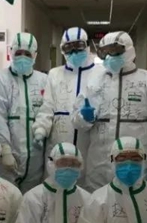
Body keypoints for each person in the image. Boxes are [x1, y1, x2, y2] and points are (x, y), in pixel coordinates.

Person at [72, 31, 147, 191]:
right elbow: (76, 121)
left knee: (134, 198)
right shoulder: (93, 80)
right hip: (99, 160)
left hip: (134, 159)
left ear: (129, 50)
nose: (109, 56)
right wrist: (84, 118)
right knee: (98, 200)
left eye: (114, 51)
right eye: (105, 52)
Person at [32, 27, 104, 183]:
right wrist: (41, 129)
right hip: (59, 137)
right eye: (68, 48)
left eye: (78, 46)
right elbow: (47, 107)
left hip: (89, 140)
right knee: (57, 182)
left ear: (87, 46)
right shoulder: (55, 74)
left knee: (86, 183)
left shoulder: (101, 73)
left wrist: (89, 116)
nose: (74, 52)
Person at [0, 32, 47, 193]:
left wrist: (42, 130)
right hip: (9, 153)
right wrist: (5, 149)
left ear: (35, 55)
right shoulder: (0, 79)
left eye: (27, 54)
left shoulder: (43, 80)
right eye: (18, 53)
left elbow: (47, 111)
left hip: (35, 154)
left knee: (32, 198)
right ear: (10, 52)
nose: (22, 57)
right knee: (6, 197)